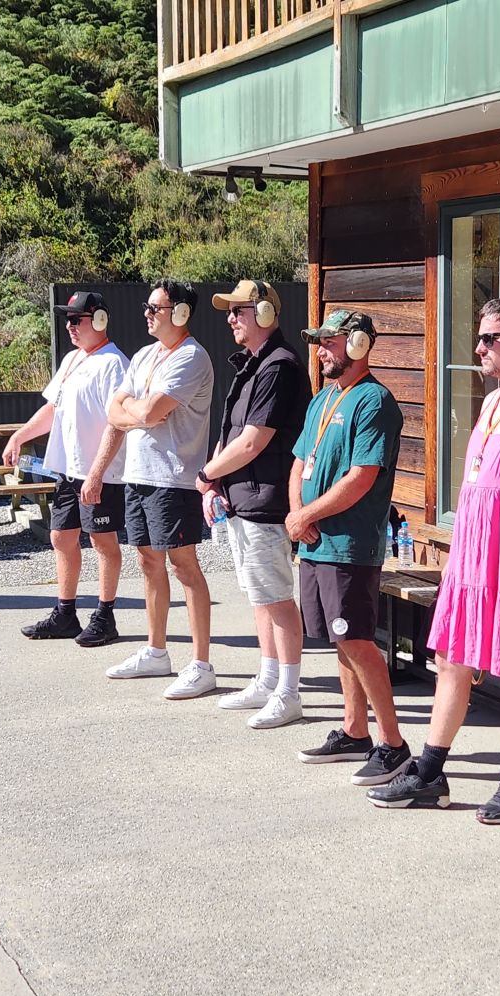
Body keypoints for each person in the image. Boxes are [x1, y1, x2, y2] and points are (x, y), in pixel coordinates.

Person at [367, 298, 500, 821]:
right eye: (479, 337)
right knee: (454, 658)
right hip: (475, 557)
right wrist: (459, 559)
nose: (480, 347)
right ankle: (431, 770)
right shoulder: (491, 404)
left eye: (491, 338)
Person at [289, 310, 410, 785]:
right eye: (319, 342)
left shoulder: (374, 401)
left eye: (331, 342)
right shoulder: (321, 400)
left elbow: (363, 478)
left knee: (358, 639)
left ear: (359, 345)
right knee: (343, 640)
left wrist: (307, 516)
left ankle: (393, 745)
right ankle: (354, 730)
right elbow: (300, 462)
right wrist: (298, 514)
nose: (322, 351)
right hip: (315, 540)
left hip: (349, 545)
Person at [199, 280, 312, 729]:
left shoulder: (279, 365)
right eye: (230, 312)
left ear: (265, 313)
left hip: (266, 500)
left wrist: (207, 476)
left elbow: (253, 440)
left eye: (239, 311)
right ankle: (267, 680)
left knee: (279, 599)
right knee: (260, 597)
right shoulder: (253, 364)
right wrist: (214, 484)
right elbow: (231, 435)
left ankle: (288, 691)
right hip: (244, 498)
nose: (230, 319)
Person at [105, 280, 216, 698]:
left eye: (156, 308)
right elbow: (115, 411)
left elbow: (149, 410)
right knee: (148, 562)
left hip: (174, 478)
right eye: (147, 307)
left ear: (181, 313)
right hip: (140, 474)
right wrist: (140, 412)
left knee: (184, 566)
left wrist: (138, 411)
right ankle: (156, 652)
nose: (147, 314)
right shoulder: (145, 355)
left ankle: (202, 664)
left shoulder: (191, 357)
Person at [3, 291, 129, 646]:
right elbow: (52, 408)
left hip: (97, 473)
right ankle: (65, 613)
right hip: (68, 471)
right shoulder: (73, 360)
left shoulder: (114, 364)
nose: (70, 326)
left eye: (77, 319)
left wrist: (98, 472)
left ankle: (105, 617)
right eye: (68, 319)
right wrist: (20, 435)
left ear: (100, 320)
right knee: (61, 537)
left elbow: (116, 424)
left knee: (102, 541)